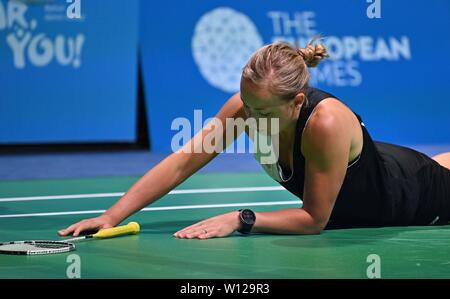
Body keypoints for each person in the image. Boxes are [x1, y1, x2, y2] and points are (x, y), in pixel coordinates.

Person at [59, 41, 450, 240]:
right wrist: (114, 215)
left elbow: (315, 219)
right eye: (246, 103)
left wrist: (242, 219)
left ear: (297, 102)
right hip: (389, 165)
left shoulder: (325, 123)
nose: (249, 116)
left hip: (411, 197)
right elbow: (183, 161)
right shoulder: (246, 107)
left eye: (261, 111)